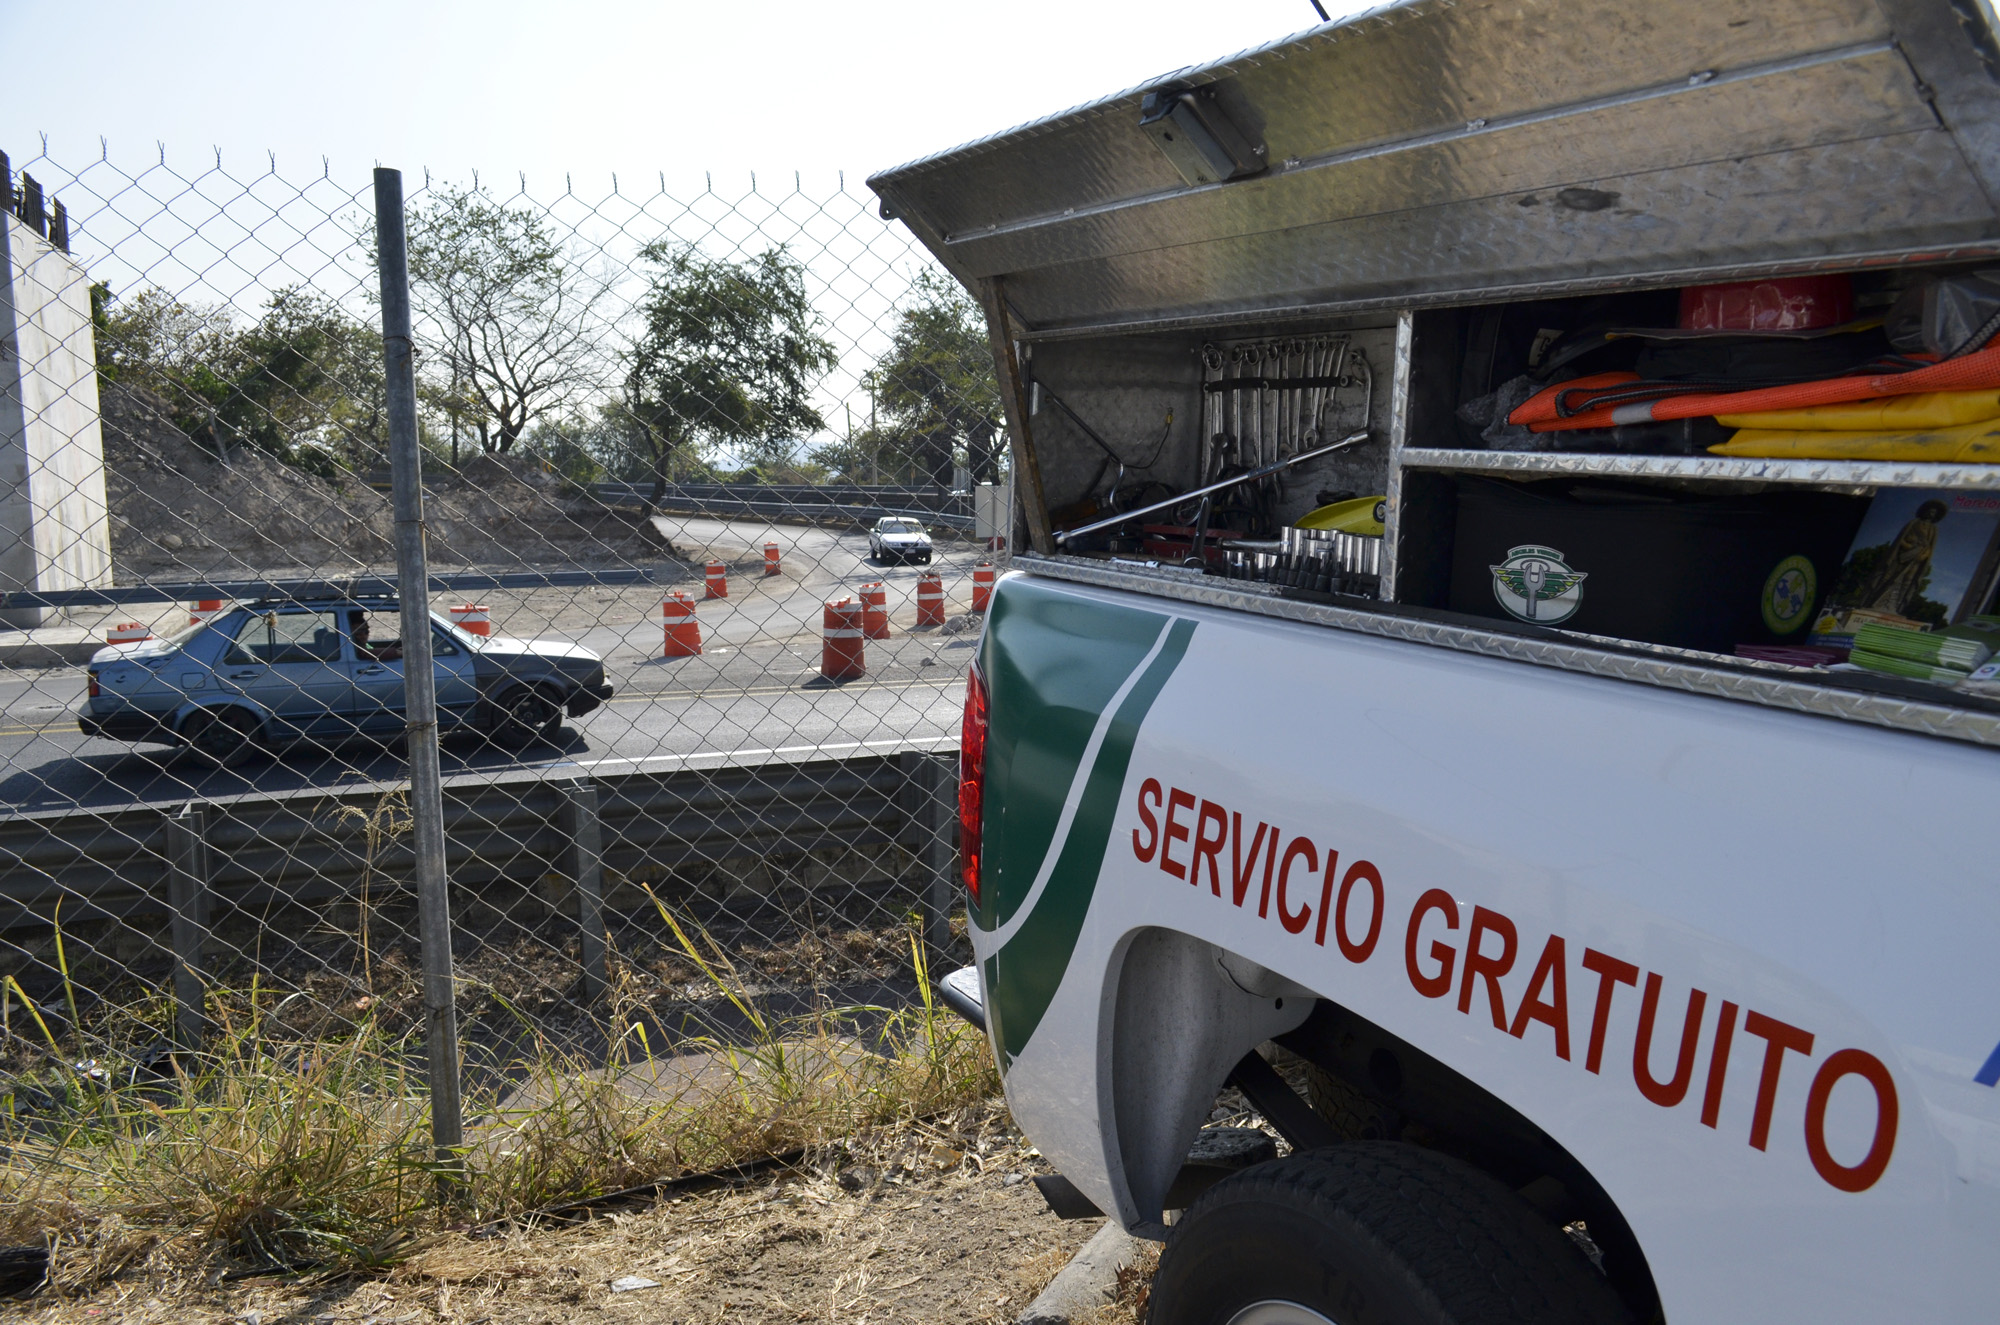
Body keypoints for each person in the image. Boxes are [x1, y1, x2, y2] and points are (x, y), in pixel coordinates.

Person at [1855, 499, 1947, 617]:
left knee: (1908, 580)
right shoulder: (1914, 523)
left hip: (1917, 558)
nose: (1930, 514)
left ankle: (1895, 606)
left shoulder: (1934, 529)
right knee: (1889, 576)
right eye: (1929, 511)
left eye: (1933, 512)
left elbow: (1930, 546)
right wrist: (1908, 547)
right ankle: (1874, 601)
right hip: (1902, 556)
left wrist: (1923, 555)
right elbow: (1901, 540)